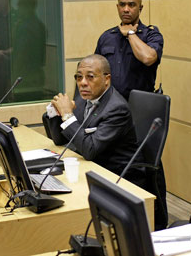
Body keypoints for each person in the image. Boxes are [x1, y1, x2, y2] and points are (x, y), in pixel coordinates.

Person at [44, 54, 146, 188]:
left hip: (118, 176)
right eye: (79, 77)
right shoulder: (83, 99)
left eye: (90, 77)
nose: (83, 83)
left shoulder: (116, 109)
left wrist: (68, 115)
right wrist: (56, 113)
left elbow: (89, 150)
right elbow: (59, 140)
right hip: (92, 167)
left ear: (106, 80)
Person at [94, 0, 164, 100]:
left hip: (140, 104)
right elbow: (96, 70)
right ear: (118, 7)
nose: (126, 9)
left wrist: (130, 34)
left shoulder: (151, 35)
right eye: (122, 5)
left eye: (131, 5)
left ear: (140, 8)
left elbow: (148, 58)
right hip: (110, 104)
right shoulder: (107, 37)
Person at [11, 0, 46, 101]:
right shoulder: (40, 24)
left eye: (21, 7)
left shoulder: (26, 27)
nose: (18, 10)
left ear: (29, 8)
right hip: (36, 73)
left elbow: (22, 52)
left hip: (26, 75)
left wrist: (14, 73)